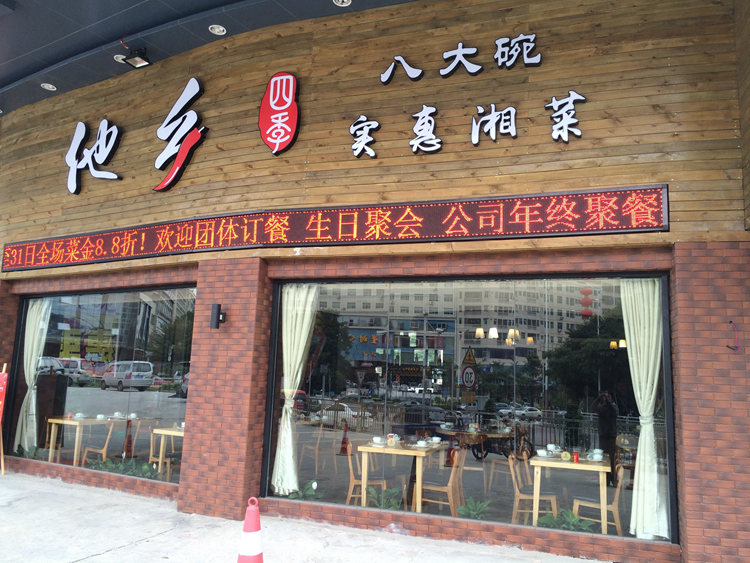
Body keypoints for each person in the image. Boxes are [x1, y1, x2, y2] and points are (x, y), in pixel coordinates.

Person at [592, 390, 618, 486]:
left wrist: (609, 402)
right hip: (603, 434)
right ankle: (606, 478)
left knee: (612, 458)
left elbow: (615, 412)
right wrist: (599, 399)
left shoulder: (613, 406)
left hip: (611, 435)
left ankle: (613, 478)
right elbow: (593, 408)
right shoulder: (601, 407)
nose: (606, 398)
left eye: (608, 396)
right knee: (604, 457)